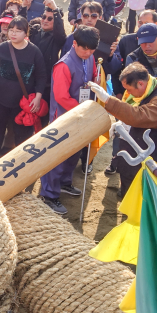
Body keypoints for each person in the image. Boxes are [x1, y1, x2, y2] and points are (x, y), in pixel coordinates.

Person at [90, 62, 157, 194]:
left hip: (151, 168)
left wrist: (108, 100)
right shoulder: (146, 91)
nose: (128, 93)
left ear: (141, 84)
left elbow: (138, 116)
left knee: (145, 207)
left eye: (130, 90)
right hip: (135, 164)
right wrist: (123, 125)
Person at [39, 25, 99, 214]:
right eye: (84, 48)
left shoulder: (90, 58)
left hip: (80, 115)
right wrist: (84, 109)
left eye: (91, 50)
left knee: (73, 153)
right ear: (74, 44)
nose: (87, 52)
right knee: (57, 157)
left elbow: (94, 76)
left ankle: (64, 183)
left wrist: (96, 82)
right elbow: (61, 96)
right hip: (64, 118)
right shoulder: (63, 65)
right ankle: (48, 194)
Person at [0, 15, 48, 156]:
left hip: (22, 102)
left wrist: (37, 98)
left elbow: (41, 76)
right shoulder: (1, 48)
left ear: (26, 33)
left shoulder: (34, 52)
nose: (13, 33)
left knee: (22, 133)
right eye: (11, 29)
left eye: (18, 30)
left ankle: (21, 161)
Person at [29, 0, 65, 101]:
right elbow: (20, 29)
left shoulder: (57, 37)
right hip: (29, 78)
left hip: (47, 83)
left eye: (50, 19)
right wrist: (24, 7)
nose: (45, 20)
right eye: (44, 17)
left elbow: (60, 33)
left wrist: (55, 9)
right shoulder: (35, 30)